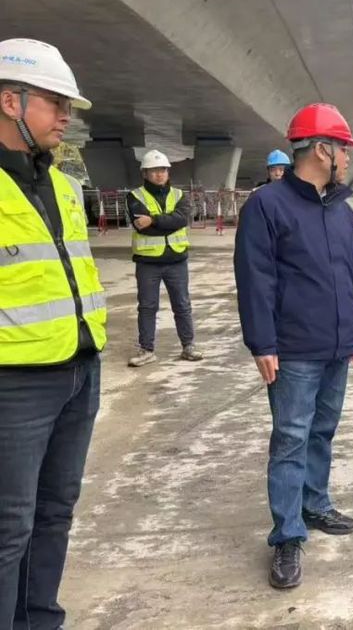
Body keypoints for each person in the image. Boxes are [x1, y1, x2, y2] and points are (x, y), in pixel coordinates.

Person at [234, 103, 353, 589]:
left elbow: (351, 271)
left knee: (322, 431)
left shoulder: (340, 210)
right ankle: (287, 534)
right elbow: (255, 279)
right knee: (291, 438)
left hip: (336, 344)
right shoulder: (267, 205)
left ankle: (315, 504)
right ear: (322, 150)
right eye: (344, 149)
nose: (348, 158)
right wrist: (262, 343)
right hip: (292, 349)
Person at [0, 38, 107, 629]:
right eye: (55, 102)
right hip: (15, 385)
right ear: (10, 101)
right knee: (7, 528)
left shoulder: (63, 186)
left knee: (55, 512)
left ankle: (41, 619)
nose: (66, 116)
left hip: (80, 371)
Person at [126, 149, 203, 367]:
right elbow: (141, 227)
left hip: (176, 260)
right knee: (147, 307)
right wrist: (168, 222)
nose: (159, 174)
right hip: (148, 262)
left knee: (182, 305)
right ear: (145, 173)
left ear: (168, 172)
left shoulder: (179, 195)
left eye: (163, 170)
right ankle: (146, 349)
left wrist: (153, 220)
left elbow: (181, 219)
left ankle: (188, 346)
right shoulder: (135, 196)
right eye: (154, 170)